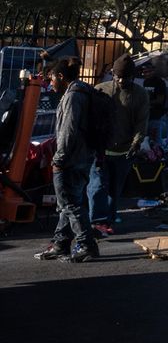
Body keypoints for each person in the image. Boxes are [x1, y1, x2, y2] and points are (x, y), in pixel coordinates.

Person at [34, 57, 98, 262]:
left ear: (61, 76)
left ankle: (87, 245)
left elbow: (68, 132)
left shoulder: (73, 97)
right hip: (81, 157)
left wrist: (59, 159)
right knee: (67, 203)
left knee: (69, 204)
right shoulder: (82, 92)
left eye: (51, 77)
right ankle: (61, 243)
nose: (49, 82)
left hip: (70, 159)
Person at [88, 53, 149, 235]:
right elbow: (90, 119)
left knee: (115, 189)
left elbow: (142, 121)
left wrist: (136, 143)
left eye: (126, 77)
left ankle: (109, 219)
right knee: (97, 186)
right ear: (113, 74)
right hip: (101, 150)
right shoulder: (100, 90)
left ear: (133, 76)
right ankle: (96, 221)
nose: (122, 80)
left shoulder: (140, 94)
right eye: (118, 76)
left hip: (124, 151)